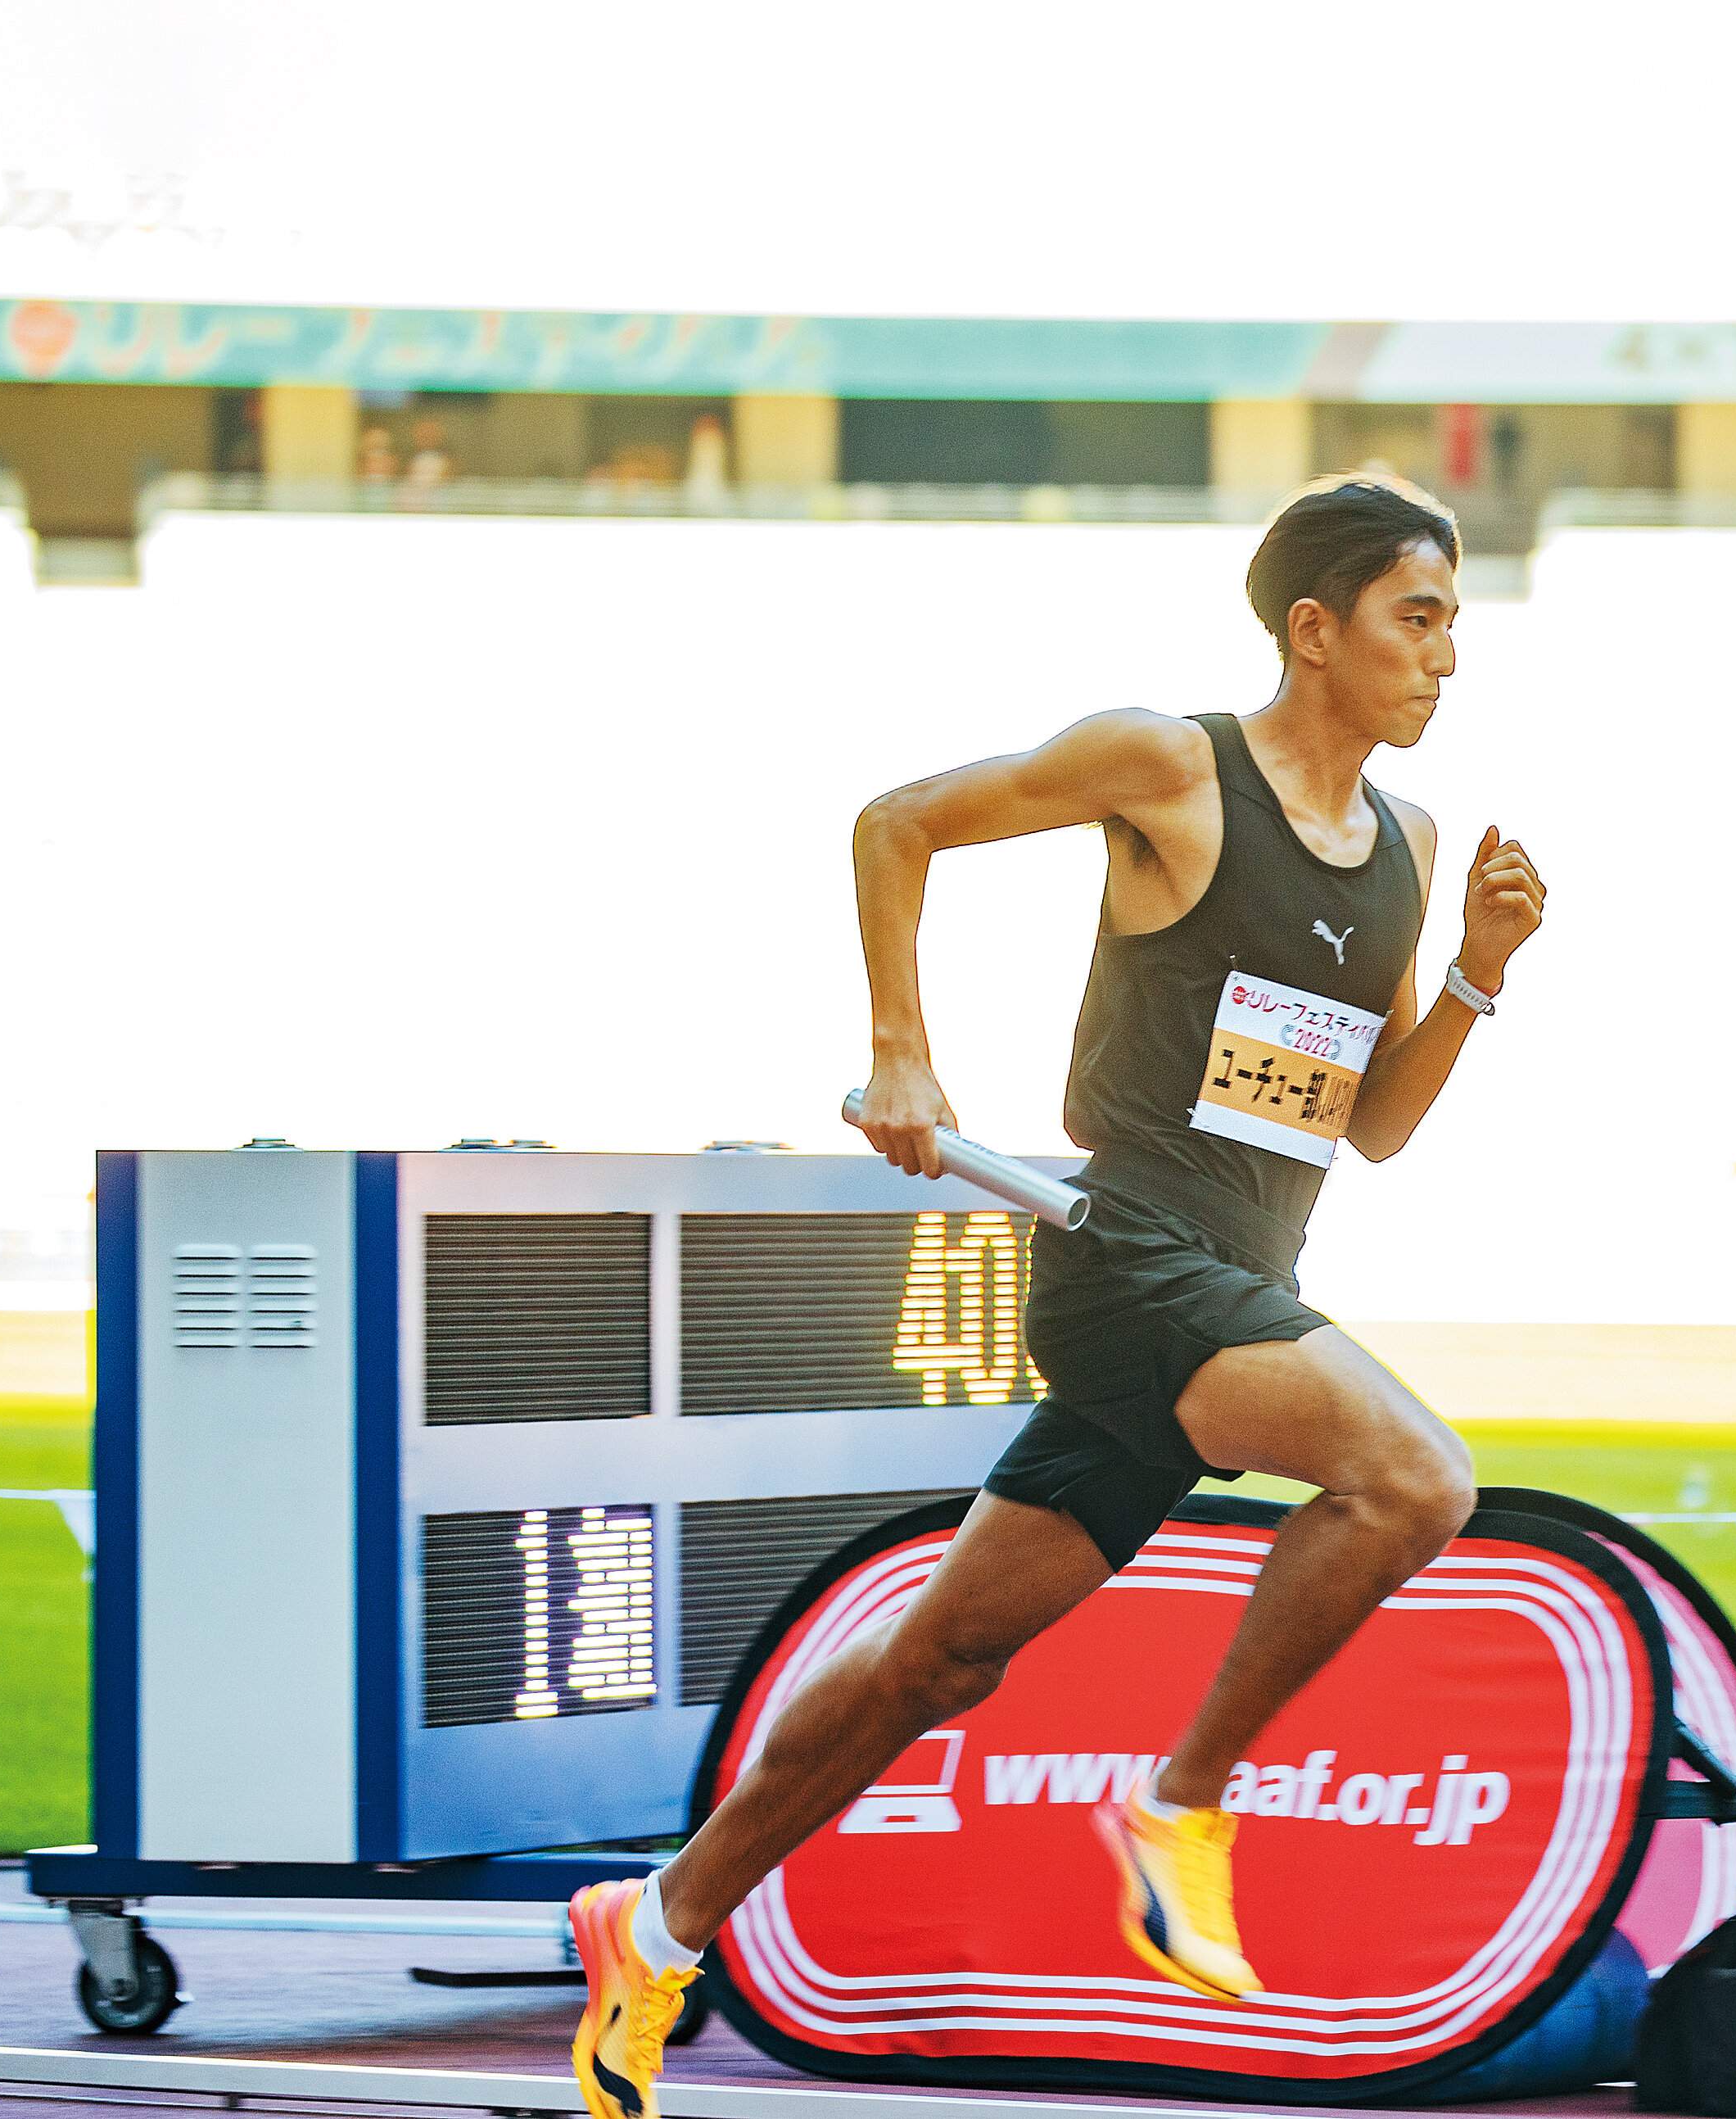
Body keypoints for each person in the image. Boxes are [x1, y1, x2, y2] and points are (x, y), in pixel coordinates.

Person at [564, 476, 1547, 2117]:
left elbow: (1363, 1124)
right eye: (1417, 615)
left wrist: (1473, 976)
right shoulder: (1170, 763)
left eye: (1454, 623)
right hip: (1124, 1260)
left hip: (1237, 1281)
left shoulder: (1413, 848)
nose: (1447, 655)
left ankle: (654, 1925)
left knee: (940, 1661)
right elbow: (897, 822)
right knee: (1410, 1476)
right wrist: (901, 1046)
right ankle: (1183, 1801)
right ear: (1314, 629)